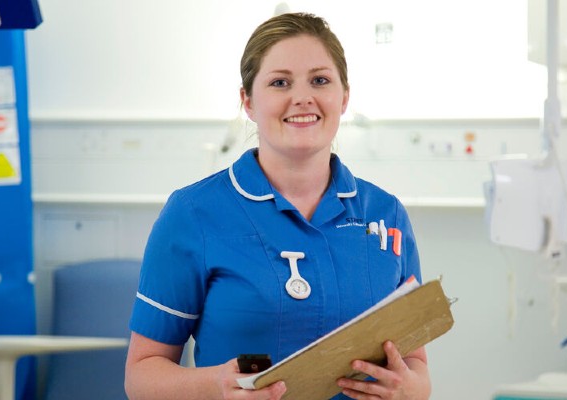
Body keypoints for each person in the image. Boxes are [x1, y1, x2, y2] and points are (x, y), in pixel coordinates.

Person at [125, 12, 430, 400]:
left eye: (320, 80)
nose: (302, 97)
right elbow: (140, 377)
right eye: (279, 82)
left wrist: (411, 390)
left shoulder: (386, 215)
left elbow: (416, 367)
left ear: (345, 96)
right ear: (248, 101)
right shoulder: (192, 215)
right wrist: (215, 387)